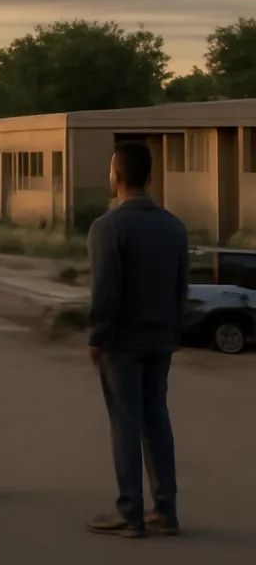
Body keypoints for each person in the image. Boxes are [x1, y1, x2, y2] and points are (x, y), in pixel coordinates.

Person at [86, 141, 189, 539]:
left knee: (126, 423)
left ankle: (129, 512)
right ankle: (165, 510)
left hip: (122, 341)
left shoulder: (107, 227)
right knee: (156, 420)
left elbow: (106, 291)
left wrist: (97, 335)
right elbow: (182, 287)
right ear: (149, 177)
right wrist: (172, 330)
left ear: (116, 176)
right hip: (161, 337)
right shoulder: (174, 226)